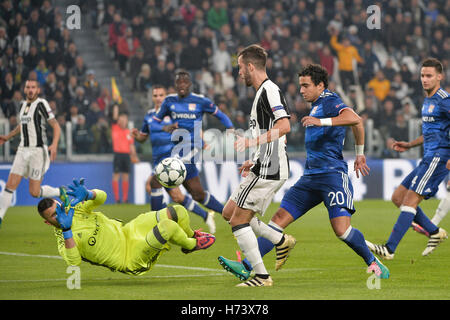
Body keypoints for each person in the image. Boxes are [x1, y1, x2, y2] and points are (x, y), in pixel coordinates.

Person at [219, 64, 390, 282]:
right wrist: (359, 153)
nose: (301, 90)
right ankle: (247, 266)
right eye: (301, 86)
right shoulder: (317, 104)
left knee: (342, 230)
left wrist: (327, 126)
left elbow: (355, 118)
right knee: (278, 219)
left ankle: (373, 262)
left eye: (306, 85)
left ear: (320, 85)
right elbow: (356, 125)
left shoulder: (329, 100)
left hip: (332, 176)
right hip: (310, 177)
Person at [219, 44, 293, 287]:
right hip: (263, 164)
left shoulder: (269, 90)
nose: (239, 72)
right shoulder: (262, 92)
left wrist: (254, 141)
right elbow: (273, 131)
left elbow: (284, 126)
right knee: (229, 212)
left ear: (251, 66)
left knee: (238, 221)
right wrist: (255, 156)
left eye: (240, 67)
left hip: (270, 169)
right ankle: (279, 240)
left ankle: (262, 277)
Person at [37, 178, 215, 275]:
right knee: (167, 226)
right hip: (129, 257)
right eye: (54, 215)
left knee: (178, 211)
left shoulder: (75, 209)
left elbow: (102, 197)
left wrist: (89, 194)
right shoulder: (63, 241)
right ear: (47, 222)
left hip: (129, 230)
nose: (59, 214)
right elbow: (74, 262)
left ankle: (191, 236)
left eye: (58, 208)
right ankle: (192, 245)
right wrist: (67, 230)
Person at [366, 58, 449, 259]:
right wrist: (410, 144)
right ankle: (434, 231)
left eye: (429, 76)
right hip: (427, 156)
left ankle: (389, 249)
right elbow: (431, 133)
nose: (425, 79)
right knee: (398, 197)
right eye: (422, 75)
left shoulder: (444, 100)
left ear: (440, 77)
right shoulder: (428, 101)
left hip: (438, 157)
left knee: (410, 201)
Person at [152, 70, 234, 223]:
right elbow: (156, 122)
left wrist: (230, 127)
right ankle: (228, 213)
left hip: (192, 149)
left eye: (185, 82)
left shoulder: (200, 101)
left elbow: (219, 114)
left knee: (156, 180)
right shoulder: (169, 101)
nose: (182, 84)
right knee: (197, 194)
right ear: (175, 85)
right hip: (176, 149)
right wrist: (167, 127)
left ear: (190, 84)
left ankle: (153, 223)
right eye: (179, 82)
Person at [131, 85, 216, 233]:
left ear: (166, 97)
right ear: (152, 97)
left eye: (161, 95)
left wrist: (201, 141)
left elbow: (191, 127)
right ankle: (205, 215)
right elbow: (143, 138)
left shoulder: (174, 114)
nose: (158, 98)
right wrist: (137, 135)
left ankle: (158, 226)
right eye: (155, 95)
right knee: (176, 196)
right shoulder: (149, 116)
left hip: (173, 159)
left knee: (153, 185)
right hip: (158, 161)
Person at [0, 79, 66, 228]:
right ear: (24, 90)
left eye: (33, 87)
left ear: (37, 90)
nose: (30, 90)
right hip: (23, 150)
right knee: (10, 185)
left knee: (34, 192)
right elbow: (21, 126)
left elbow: (55, 124)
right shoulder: (23, 105)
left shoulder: (41, 103)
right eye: (28, 87)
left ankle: (59, 191)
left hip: (37, 151)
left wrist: (54, 144)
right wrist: (7, 136)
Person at [111, 113, 138, 204]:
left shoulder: (128, 132)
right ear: (118, 121)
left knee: (126, 176)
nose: (123, 122)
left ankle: (125, 199)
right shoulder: (115, 128)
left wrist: (134, 155)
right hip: (118, 154)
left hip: (126, 155)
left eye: (125, 120)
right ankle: (117, 199)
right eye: (121, 120)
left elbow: (131, 145)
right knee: (116, 175)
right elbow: (114, 116)